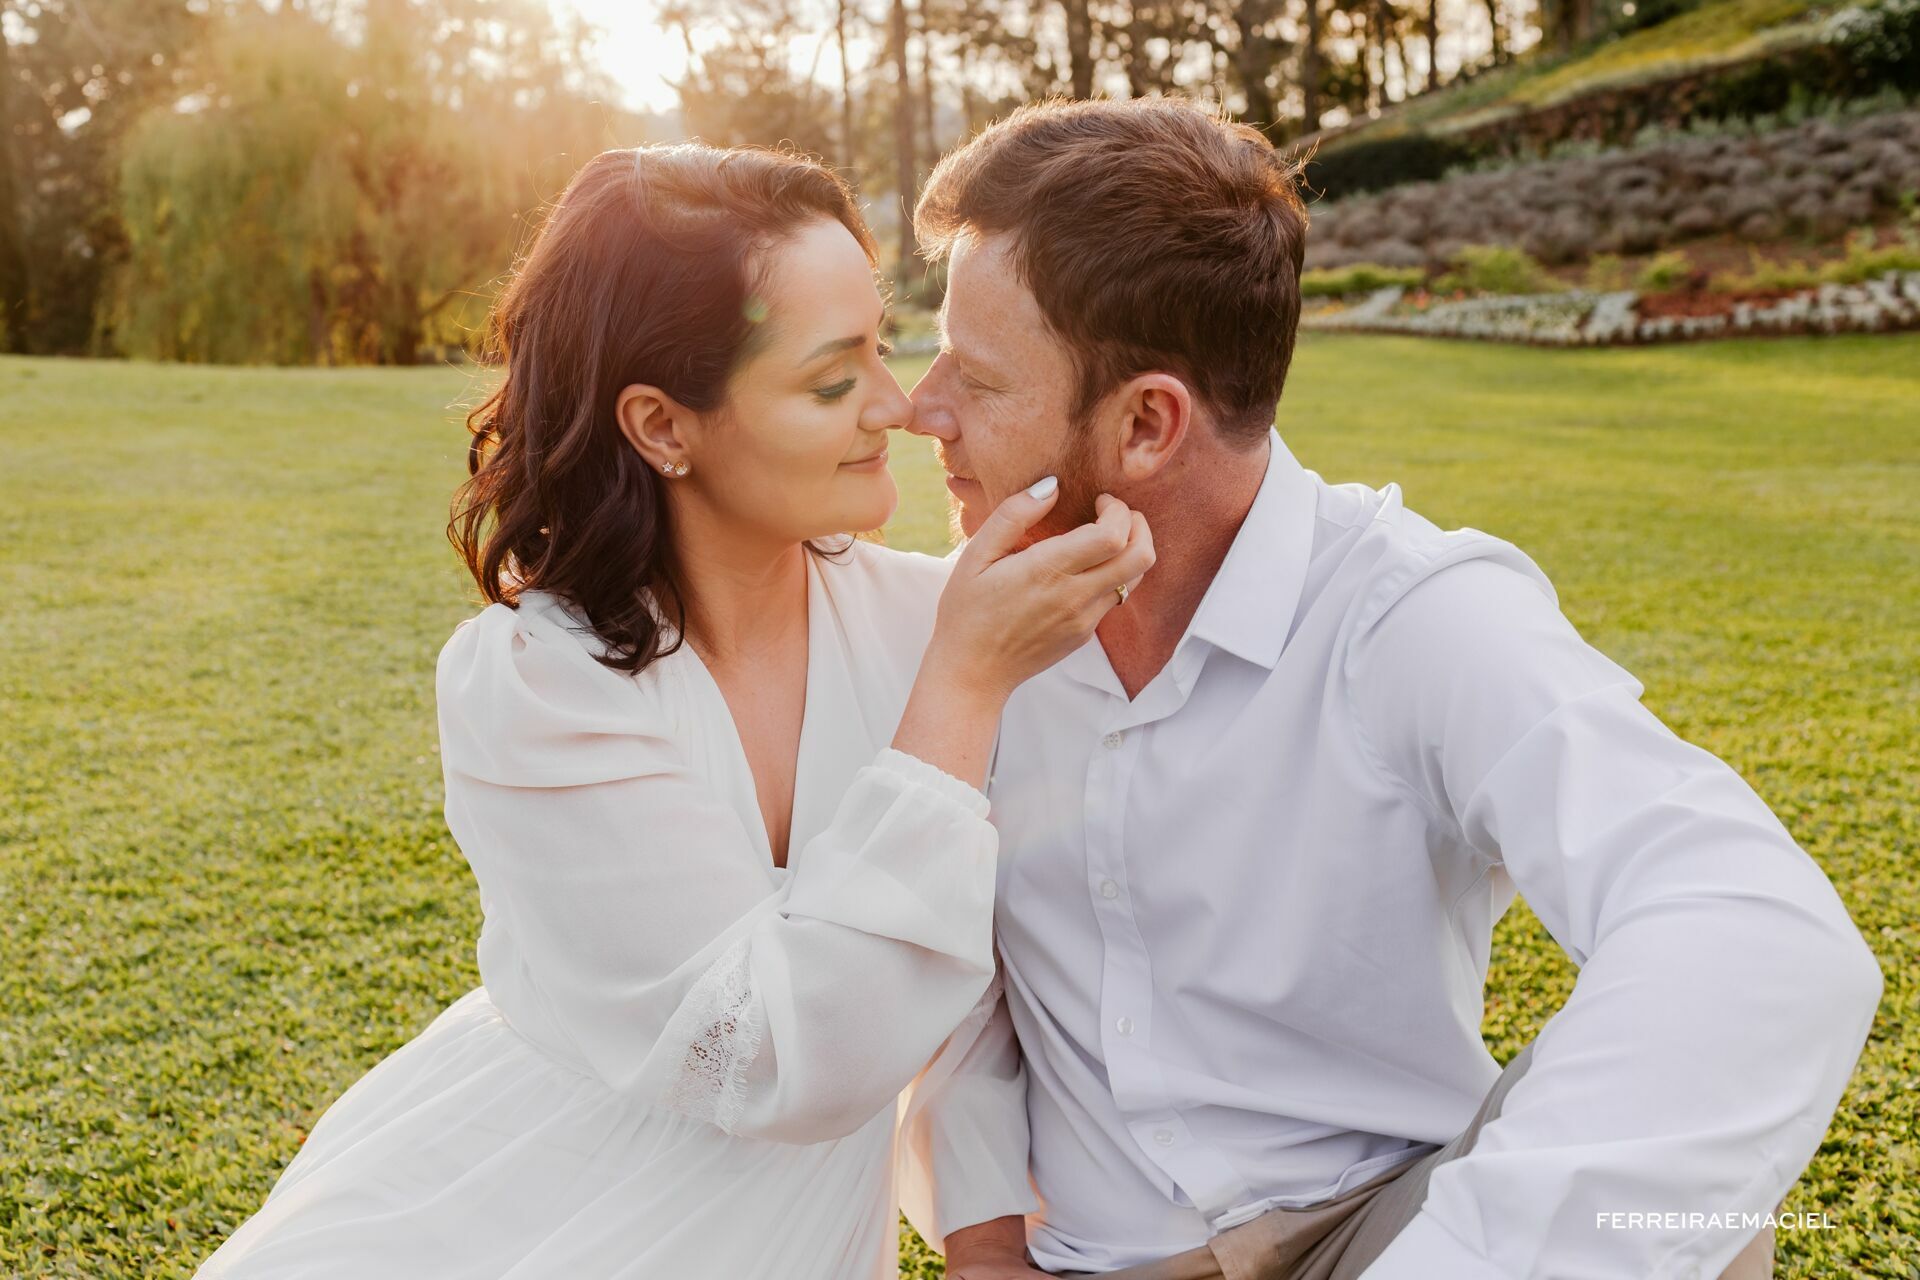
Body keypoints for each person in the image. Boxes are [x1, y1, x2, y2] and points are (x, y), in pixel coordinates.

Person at [898, 97, 1884, 1280]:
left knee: (1705, 1233)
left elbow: (1756, 926)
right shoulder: (959, 633)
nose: (920, 407)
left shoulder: (1413, 613)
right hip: (1099, 1258)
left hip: (1386, 1223)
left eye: (977, 376)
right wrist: (982, 1243)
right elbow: (952, 978)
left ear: (1149, 423)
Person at [195, 141, 1151, 1280]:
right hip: (538, 1219)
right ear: (661, 426)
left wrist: (984, 1234)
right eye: (832, 379)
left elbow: (977, 971)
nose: (898, 408)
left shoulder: (931, 621)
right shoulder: (536, 689)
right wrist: (964, 687)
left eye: (881, 345)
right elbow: (777, 1060)